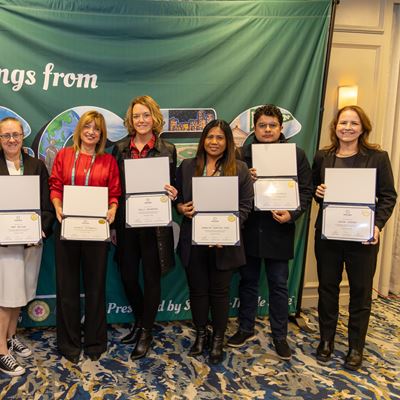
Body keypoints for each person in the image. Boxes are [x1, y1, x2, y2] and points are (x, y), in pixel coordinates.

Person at [312, 105, 397, 371]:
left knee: (360, 293)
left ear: (363, 128)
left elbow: (388, 196)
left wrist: (377, 226)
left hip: (362, 237)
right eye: (343, 122)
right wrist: (319, 191)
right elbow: (315, 192)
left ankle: (355, 347)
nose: (347, 127)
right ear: (335, 126)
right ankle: (326, 340)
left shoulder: (377, 157)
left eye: (354, 123)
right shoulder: (323, 156)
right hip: (329, 236)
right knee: (327, 288)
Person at [227, 104, 313, 360]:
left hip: (279, 229)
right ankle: (245, 328)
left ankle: (280, 336)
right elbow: (230, 189)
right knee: (248, 282)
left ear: (281, 128)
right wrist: (246, 179)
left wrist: (292, 214)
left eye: (272, 125)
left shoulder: (296, 155)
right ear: (254, 128)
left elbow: (306, 191)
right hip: (250, 227)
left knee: (278, 285)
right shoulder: (242, 155)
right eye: (262, 125)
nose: (267, 130)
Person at [176, 119, 253, 364]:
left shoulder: (239, 169)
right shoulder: (187, 166)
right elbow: (176, 198)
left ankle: (218, 339)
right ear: (203, 140)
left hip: (225, 243)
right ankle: (201, 334)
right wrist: (180, 208)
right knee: (197, 291)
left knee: (220, 293)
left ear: (228, 142)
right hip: (194, 240)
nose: (214, 142)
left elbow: (245, 206)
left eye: (220, 138)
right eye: (210, 137)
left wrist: (227, 231)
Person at [49, 110, 121, 363]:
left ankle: (95, 341)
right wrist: (57, 206)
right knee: (67, 288)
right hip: (67, 228)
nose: (91, 131)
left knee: (95, 287)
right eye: (88, 126)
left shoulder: (108, 161)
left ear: (102, 135)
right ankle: (69, 343)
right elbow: (55, 185)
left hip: (95, 231)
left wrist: (112, 209)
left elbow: (114, 192)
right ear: (80, 129)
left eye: (97, 128)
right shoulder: (64, 155)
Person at [113, 95, 177, 360]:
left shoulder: (167, 149)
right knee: (128, 276)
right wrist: (115, 225)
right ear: (131, 119)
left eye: (146, 115)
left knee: (152, 278)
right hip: (127, 223)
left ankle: (147, 331)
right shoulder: (119, 148)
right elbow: (115, 188)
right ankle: (140, 320)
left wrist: (175, 191)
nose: (141, 120)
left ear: (154, 118)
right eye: (137, 116)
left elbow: (175, 185)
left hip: (154, 226)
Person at [0, 117, 54, 376]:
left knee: (19, 292)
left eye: (16, 134)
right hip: (4, 244)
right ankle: (1, 350)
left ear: (23, 137)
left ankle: (11, 336)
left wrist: (41, 229)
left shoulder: (36, 165)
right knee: (5, 296)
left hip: (31, 240)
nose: (11, 140)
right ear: (0, 139)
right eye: (5, 135)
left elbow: (46, 204)